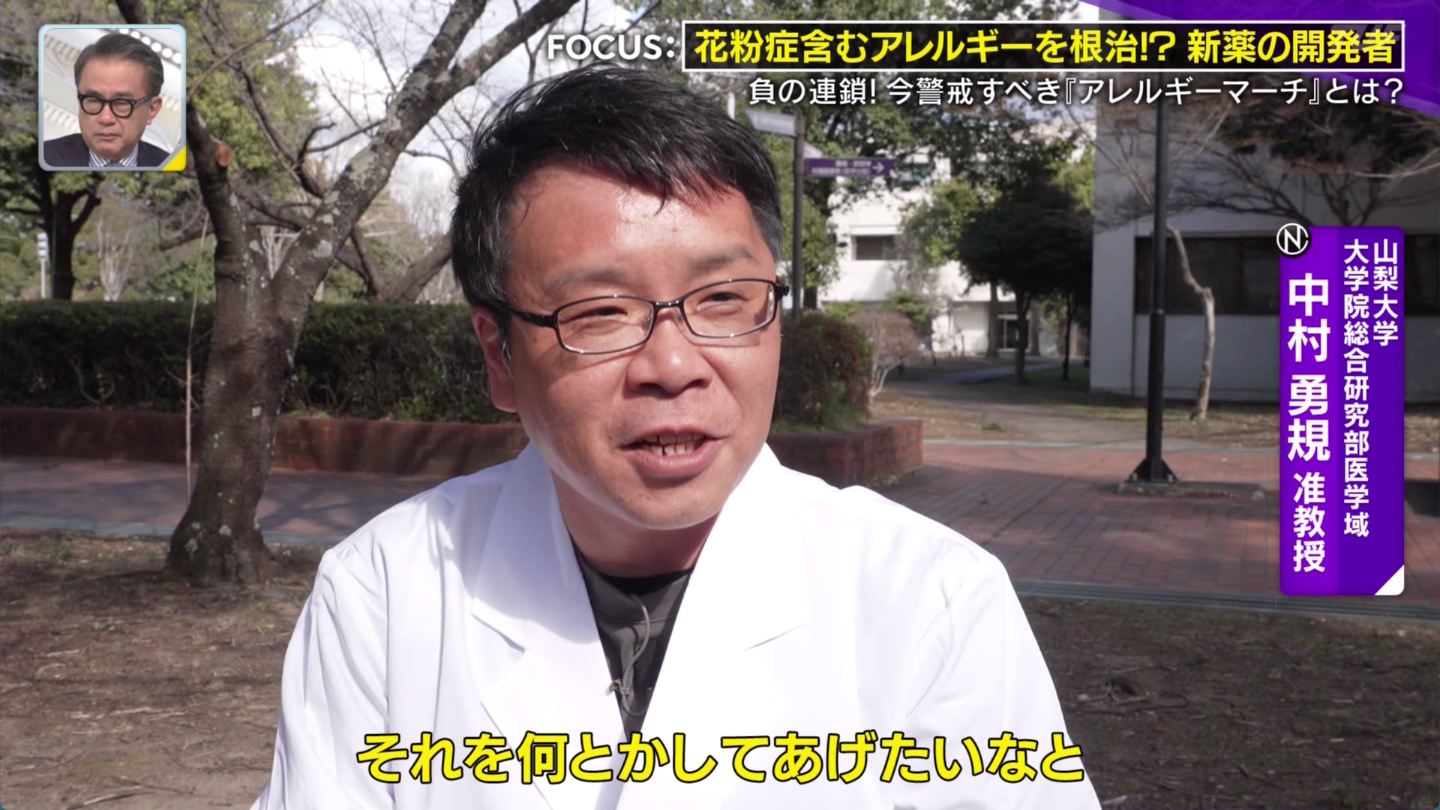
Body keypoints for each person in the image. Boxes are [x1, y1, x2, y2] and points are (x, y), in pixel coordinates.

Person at [251, 66, 1101, 809]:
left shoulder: (931, 602)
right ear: (500, 355)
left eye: (724, 300)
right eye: (600, 312)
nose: (673, 365)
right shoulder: (387, 593)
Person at [42, 32, 169, 169]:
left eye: (121, 103)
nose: (106, 118)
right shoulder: (44, 157)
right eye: (94, 100)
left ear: (152, 109)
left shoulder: (169, 165)